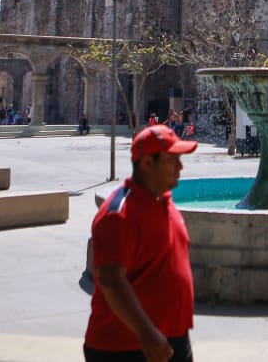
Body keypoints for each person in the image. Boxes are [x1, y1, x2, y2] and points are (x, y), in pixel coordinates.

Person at [86, 124, 197, 362]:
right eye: (172, 160)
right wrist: (146, 332)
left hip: (171, 337)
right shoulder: (119, 214)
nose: (180, 166)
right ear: (147, 163)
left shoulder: (163, 199)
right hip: (128, 346)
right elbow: (110, 280)